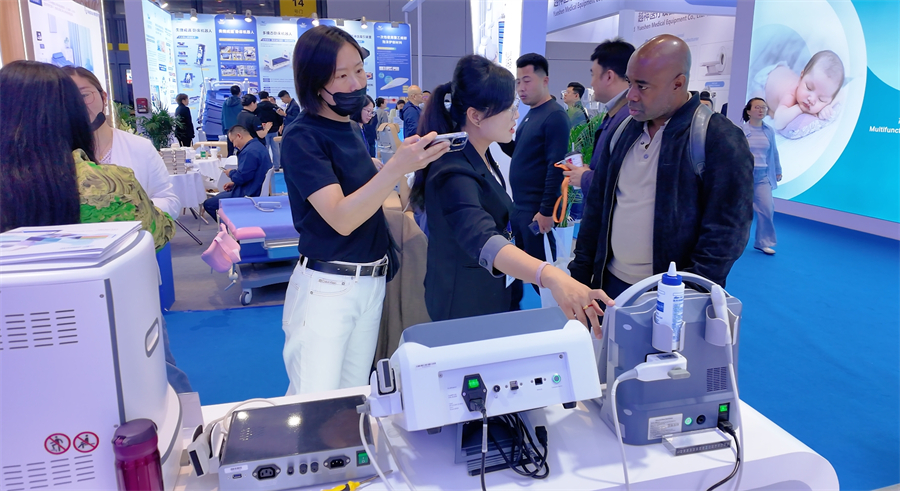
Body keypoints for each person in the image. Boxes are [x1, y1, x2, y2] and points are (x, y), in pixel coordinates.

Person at [2, 60, 191, 393]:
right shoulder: (107, 184)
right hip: (105, 317)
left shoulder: (133, 150)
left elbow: (167, 199)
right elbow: (158, 232)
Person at [280, 25, 449, 394]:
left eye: (358, 69)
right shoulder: (302, 135)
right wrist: (395, 168)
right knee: (316, 402)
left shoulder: (350, 128)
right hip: (328, 287)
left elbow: (362, 192)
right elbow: (341, 218)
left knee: (354, 397)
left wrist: (394, 166)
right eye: (341, 75)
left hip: (370, 281)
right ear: (314, 82)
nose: (356, 83)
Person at [413, 55, 612, 324]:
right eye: (509, 107)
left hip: (490, 291)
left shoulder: (479, 154)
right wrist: (550, 275)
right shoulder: (452, 171)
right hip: (465, 303)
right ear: (475, 116)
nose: (516, 114)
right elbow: (481, 236)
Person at [569, 34, 754, 312]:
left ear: (678, 83)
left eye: (642, 86)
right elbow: (597, 206)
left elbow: (727, 232)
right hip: (610, 287)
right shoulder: (623, 131)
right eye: (630, 83)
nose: (631, 95)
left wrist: (687, 296)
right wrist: (580, 275)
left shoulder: (717, 138)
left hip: (672, 298)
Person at [64, 66, 181, 219]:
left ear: (104, 98)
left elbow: (169, 200)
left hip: (136, 232)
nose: (77, 104)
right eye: (65, 98)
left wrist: (133, 212)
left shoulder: (140, 147)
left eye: (84, 95)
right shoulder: (52, 154)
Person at [498, 53, 569, 307]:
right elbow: (521, 153)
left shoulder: (554, 116)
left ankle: (557, 318)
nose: (521, 88)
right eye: (518, 82)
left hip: (536, 211)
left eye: (526, 81)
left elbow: (555, 166)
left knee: (543, 273)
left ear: (545, 80)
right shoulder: (530, 115)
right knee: (521, 270)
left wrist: (546, 211)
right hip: (520, 207)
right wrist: (497, 135)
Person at [562, 38, 635, 202]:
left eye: (593, 74)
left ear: (609, 76)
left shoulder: (628, 119)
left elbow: (622, 183)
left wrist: (585, 178)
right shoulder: (616, 114)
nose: (591, 82)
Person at [752, 50, 844, 130]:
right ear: (801, 76)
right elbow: (778, 123)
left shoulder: (823, 90)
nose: (811, 99)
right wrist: (799, 108)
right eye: (809, 87)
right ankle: (770, 111)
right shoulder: (790, 96)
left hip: (783, 75)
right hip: (765, 81)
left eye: (821, 99)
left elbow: (841, 93)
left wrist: (828, 107)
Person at [203, 125, 273, 220]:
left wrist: (231, 173)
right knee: (218, 197)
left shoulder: (249, 152)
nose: (234, 145)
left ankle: (230, 226)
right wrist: (234, 184)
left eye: (233, 141)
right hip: (254, 188)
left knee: (209, 204)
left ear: (239, 136)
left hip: (248, 193)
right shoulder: (259, 147)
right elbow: (250, 175)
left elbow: (241, 178)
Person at [742, 97, 782, 255]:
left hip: (762, 177)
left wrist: (777, 170)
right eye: (757, 107)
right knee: (740, 212)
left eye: (764, 107)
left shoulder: (769, 131)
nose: (761, 110)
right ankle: (735, 241)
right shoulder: (740, 130)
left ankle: (763, 242)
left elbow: (774, 152)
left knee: (767, 209)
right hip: (743, 177)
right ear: (748, 111)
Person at [256, 91, 284, 169]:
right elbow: (280, 118)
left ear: (259, 97)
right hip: (274, 129)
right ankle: (277, 166)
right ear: (267, 97)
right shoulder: (274, 106)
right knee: (275, 148)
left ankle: (266, 166)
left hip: (263, 131)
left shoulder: (257, 107)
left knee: (265, 148)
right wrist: (278, 125)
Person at [222, 85, 243, 155]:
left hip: (228, 127)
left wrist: (224, 129)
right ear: (239, 92)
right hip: (239, 127)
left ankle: (229, 160)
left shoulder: (225, 103)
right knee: (241, 147)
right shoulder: (242, 103)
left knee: (230, 148)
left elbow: (223, 116)